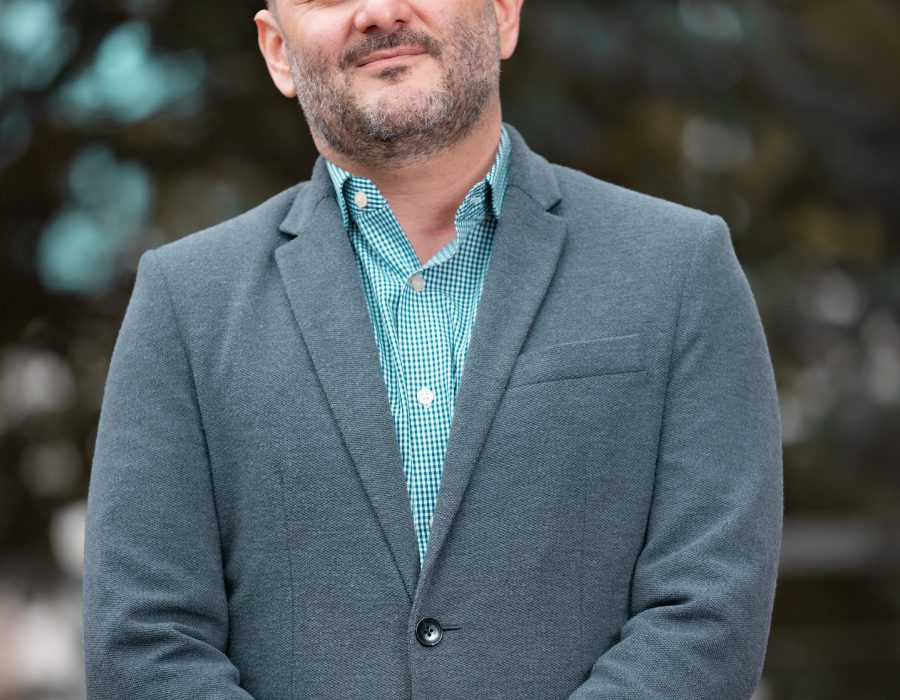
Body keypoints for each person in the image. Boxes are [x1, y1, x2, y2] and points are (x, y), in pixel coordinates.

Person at [82, 1, 783, 698]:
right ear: (277, 52)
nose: (378, 11)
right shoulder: (184, 302)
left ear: (503, 13)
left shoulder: (679, 268)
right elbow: (145, 641)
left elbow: (707, 611)